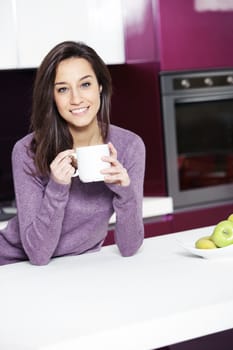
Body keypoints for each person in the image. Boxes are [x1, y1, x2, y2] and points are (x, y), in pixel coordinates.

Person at [0, 41, 146, 266]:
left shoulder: (129, 147)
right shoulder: (28, 151)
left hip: (75, 267)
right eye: (63, 89)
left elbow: (129, 247)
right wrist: (57, 186)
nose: (76, 99)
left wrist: (124, 192)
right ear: (52, 96)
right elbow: (38, 255)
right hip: (13, 264)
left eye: (85, 84)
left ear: (100, 86)